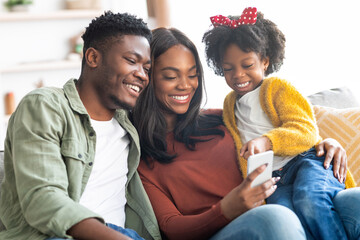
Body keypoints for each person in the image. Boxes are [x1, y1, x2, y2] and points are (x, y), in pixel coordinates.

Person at [133, 27, 356, 240]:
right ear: (147, 78)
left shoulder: (223, 118)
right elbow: (172, 228)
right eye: (171, 77)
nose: (185, 85)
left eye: (192, 75)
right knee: (277, 218)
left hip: (277, 201)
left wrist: (325, 142)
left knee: (354, 202)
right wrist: (227, 209)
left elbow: (282, 129)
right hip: (229, 227)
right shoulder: (141, 159)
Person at [0, 11, 161, 240]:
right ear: (93, 58)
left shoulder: (130, 125)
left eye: (146, 68)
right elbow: (43, 199)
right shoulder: (45, 106)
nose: (142, 75)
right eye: (132, 61)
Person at [202, 7, 359, 240]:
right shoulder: (229, 104)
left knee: (310, 199)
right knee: (286, 220)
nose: (238, 75)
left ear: (264, 61)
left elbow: (306, 130)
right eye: (228, 69)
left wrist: (267, 141)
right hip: (274, 179)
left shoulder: (277, 88)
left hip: (306, 161)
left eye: (247, 65)